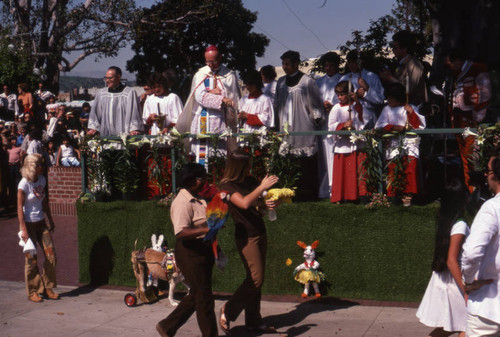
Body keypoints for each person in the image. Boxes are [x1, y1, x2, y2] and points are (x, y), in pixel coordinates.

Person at [218, 148, 280, 334]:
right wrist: (261, 187)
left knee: (255, 280)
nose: (250, 168)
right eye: (248, 165)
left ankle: (253, 320)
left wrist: (266, 203)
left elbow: (255, 203)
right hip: (246, 236)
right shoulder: (227, 186)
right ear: (239, 166)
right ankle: (227, 310)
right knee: (255, 279)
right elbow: (244, 203)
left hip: (259, 231)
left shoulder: (249, 180)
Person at [156, 163, 217, 337]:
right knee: (204, 299)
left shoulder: (198, 198)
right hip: (190, 254)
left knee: (198, 293)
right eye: (201, 178)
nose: (204, 181)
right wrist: (206, 229)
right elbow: (181, 232)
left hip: (203, 251)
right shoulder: (182, 202)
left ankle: (167, 326)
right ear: (190, 180)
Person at [416, 179, 470, 337]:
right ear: (463, 200)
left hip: (444, 279)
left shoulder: (445, 221)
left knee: (451, 326)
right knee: (467, 325)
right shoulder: (460, 225)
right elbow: (451, 260)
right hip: (454, 283)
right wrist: (466, 290)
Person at [176, 45, 240, 166]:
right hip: (203, 121)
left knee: (222, 156)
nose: (210, 64)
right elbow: (199, 96)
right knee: (202, 156)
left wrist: (218, 94)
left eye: (213, 61)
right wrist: (221, 98)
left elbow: (234, 98)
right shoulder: (200, 74)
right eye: (207, 61)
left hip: (223, 121)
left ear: (220, 58)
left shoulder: (229, 75)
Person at [274, 50, 325, 200]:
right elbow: (277, 104)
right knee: (288, 158)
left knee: (305, 161)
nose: (284, 67)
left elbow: (315, 105)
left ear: (297, 64)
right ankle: (289, 192)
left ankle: (307, 193)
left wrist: (316, 119)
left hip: (303, 124)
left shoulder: (307, 81)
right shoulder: (280, 82)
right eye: (283, 64)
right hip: (285, 125)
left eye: (287, 64)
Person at [462, 145, 500, 336]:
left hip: (489, 309)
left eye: (488, 171)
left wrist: (468, 280)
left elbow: (471, 253)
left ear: (495, 175)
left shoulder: (491, 208)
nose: (486, 176)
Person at [446, 48, 492, 194]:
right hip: (459, 121)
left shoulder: (478, 69)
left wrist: (477, 118)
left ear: (458, 60)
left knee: (474, 156)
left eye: (451, 63)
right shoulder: (454, 74)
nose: (450, 67)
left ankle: (479, 190)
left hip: (473, 122)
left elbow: (485, 95)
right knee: (465, 158)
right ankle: (470, 190)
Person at [375, 83, 426, 206]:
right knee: (393, 168)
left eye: (391, 98)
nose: (388, 101)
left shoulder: (410, 107)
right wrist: (393, 127)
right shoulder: (387, 109)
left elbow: (420, 126)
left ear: (397, 97)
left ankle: (408, 195)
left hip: (409, 144)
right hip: (393, 144)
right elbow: (379, 125)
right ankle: (394, 195)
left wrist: (411, 112)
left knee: (409, 168)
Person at [17, 153, 58, 302]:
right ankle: (33, 290)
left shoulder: (42, 179)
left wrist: (50, 220)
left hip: (41, 223)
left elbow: (44, 202)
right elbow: (19, 208)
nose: (42, 166)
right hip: (29, 224)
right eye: (39, 164)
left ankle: (47, 287)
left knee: (51, 255)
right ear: (32, 166)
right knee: (31, 259)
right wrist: (24, 230)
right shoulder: (23, 184)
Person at [328, 81, 365, 203]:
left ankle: (353, 196)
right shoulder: (336, 108)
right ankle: (339, 196)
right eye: (338, 94)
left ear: (349, 94)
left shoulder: (355, 106)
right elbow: (331, 126)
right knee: (341, 173)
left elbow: (362, 118)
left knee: (352, 171)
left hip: (354, 144)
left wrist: (357, 102)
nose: (339, 97)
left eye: (342, 94)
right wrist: (343, 125)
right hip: (341, 144)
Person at [87, 66, 143, 137]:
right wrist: (93, 128)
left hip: (124, 136)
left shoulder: (129, 93)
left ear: (118, 77)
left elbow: (134, 112)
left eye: (110, 78)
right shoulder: (102, 94)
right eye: (106, 78)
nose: (107, 80)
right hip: (106, 135)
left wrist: (134, 128)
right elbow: (95, 113)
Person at [316, 51, 342, 198]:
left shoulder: (342, 80)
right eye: (326, 65)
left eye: (332, 65)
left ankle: (335, 188)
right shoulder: (318, 82)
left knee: (334, 154)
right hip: (322, 122)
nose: (329, 68)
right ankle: (324, 188)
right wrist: (322, 107)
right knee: (323, 157)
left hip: (336, 121)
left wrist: (333, 107)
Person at [379, 30, 428, 107]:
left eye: (395, 48)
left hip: (412, 110)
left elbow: (410, 91)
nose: (393, 50)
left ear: (404, 48)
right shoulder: (399, 64)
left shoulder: (414, 65)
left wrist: (390, 78)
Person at [339, 50, 384, 127]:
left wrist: (367, 89)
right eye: (349, 63)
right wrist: (356, 95)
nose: (351, 65)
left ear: (360, 62)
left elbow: (380, 100)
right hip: (350, 114)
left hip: (369, 115)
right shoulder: (344, 78)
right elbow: (339, 99)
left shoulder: (372, 76)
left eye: (354, 62)